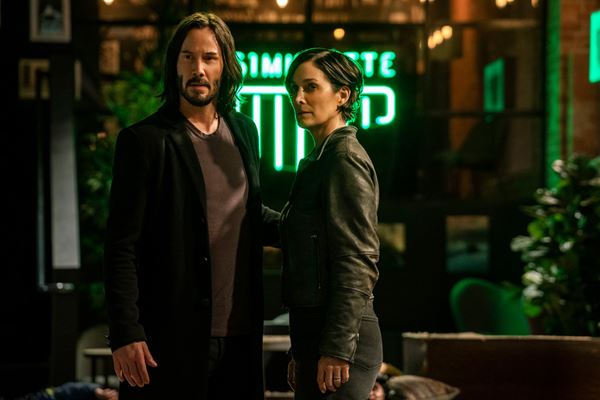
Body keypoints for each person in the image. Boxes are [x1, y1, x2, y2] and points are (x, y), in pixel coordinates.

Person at [103, 12, 280, 400]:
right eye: (188, 57)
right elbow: (121, 246)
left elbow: (247, 214)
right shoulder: (144, 141)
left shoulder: (245, 131)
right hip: (168, 340)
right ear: (175, 65)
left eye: (209, 58)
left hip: (241, 339)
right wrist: (125, 331)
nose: (198, 69)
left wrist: (310, 226)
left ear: (224, 66)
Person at [280, 48, 383, 399]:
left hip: (341, 341)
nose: (298, 98)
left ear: (342, 95)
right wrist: (301, 348)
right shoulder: (320, 159)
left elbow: (358, 260)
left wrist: (337, 347)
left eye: (310, 87)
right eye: (293, 88)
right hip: (317, 335)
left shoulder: (344, 158)